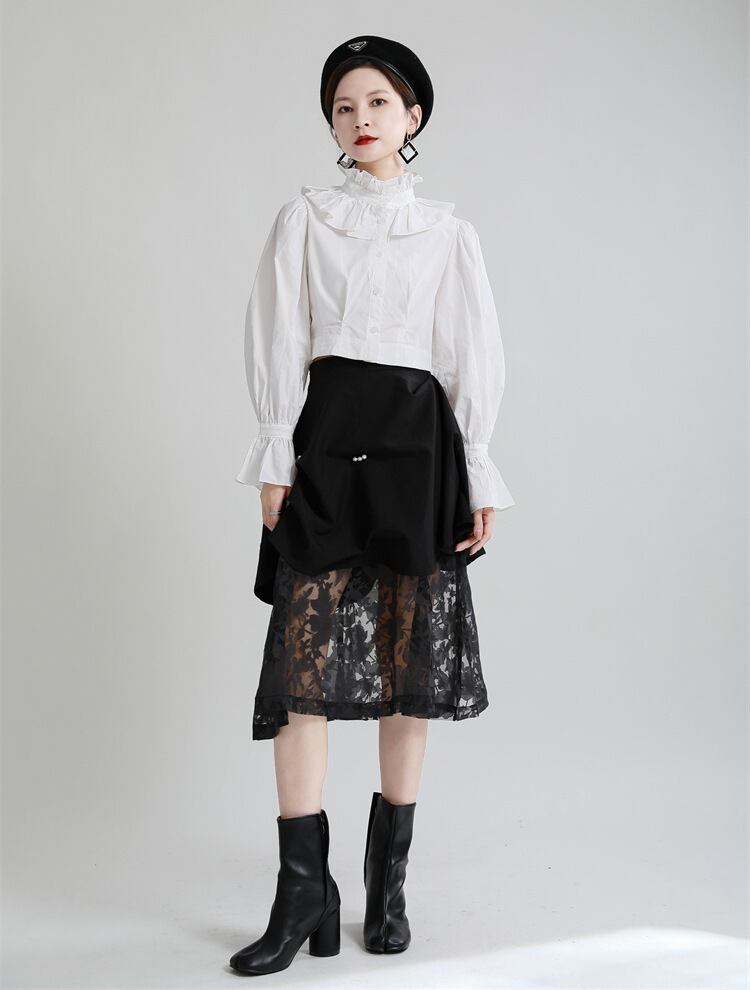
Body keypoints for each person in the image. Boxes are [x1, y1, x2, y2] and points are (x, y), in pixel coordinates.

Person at [229, 35, 515, 976]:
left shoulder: (447, 232)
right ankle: (302, 892)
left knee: (407, 655)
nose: (361, 120)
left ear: (413, 116)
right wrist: (275, 451)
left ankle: (386, 885)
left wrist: (479, 471)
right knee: (300, 658)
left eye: (379, 103)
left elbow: (469, 354)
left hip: (420, 450)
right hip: (328, 439)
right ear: (332, 123)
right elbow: (279, 334)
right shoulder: (306, 219)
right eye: (344, 107)